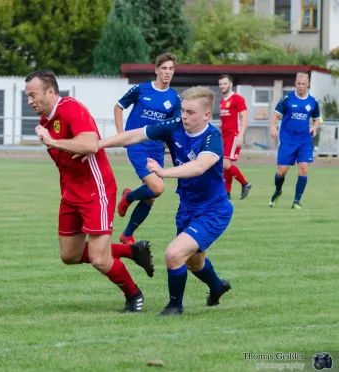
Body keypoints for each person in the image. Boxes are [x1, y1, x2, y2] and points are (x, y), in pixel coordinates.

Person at [78, 86, 233, 316]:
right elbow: (136, 134)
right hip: (187, 208)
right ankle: (217, 286)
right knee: (194, 263)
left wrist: (163, 172)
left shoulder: (213, 137)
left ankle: (174, 307)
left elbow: (200, 166)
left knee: (173, 255)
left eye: (190, 112)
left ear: (206, 115)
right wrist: (99, 144)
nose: (184, 116)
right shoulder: (175, 126)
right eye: (183, 111)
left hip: (213, 210)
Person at [25, 70, 155, 313]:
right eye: (27, 96)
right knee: (70, 255)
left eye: (33, 95)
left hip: (97, 191)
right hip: (70, 195)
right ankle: (131, 250)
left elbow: (90, 144)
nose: (30, 101)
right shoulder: (46, 121)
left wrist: (51, 141)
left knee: (99, 258)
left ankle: (133, 294)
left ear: (50, 92)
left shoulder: (71, 109)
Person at [114, 53, 182, 245]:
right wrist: (121, 135)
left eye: (171, 69)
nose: (167, 72)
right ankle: (128, 197)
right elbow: (119, 106)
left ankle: (127, 234)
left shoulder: (174, 99)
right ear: (156, 70)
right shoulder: (142, 89)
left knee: (151, 196)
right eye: (164, 68)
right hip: (137, 144)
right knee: (157, 187)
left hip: (156, 148)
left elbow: (175, 127)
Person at [269, 72, 321, 209]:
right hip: (288, 139)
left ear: (308, 84)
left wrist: (314, 127)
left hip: (304, 140)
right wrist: (273, 127)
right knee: (281, 171)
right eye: (299, 83)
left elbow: (317, 119)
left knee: (303, 170)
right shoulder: (287, 99)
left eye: (303, 84)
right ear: (295, 84)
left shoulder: (313, 102)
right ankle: (277, 191)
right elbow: (275, 115)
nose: (301, 86)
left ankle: (296, 201)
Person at [218, 74, 252, 200]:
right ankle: (227, 192)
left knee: (225, 163)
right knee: (226, 164)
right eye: (220, 84)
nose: (222, 86)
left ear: (230, 84)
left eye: (224, 83)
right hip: (224, 136)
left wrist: (241, 135)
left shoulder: (237, 98)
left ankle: (245, 183)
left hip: (233, 135)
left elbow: (244, 117)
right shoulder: (222, 101)